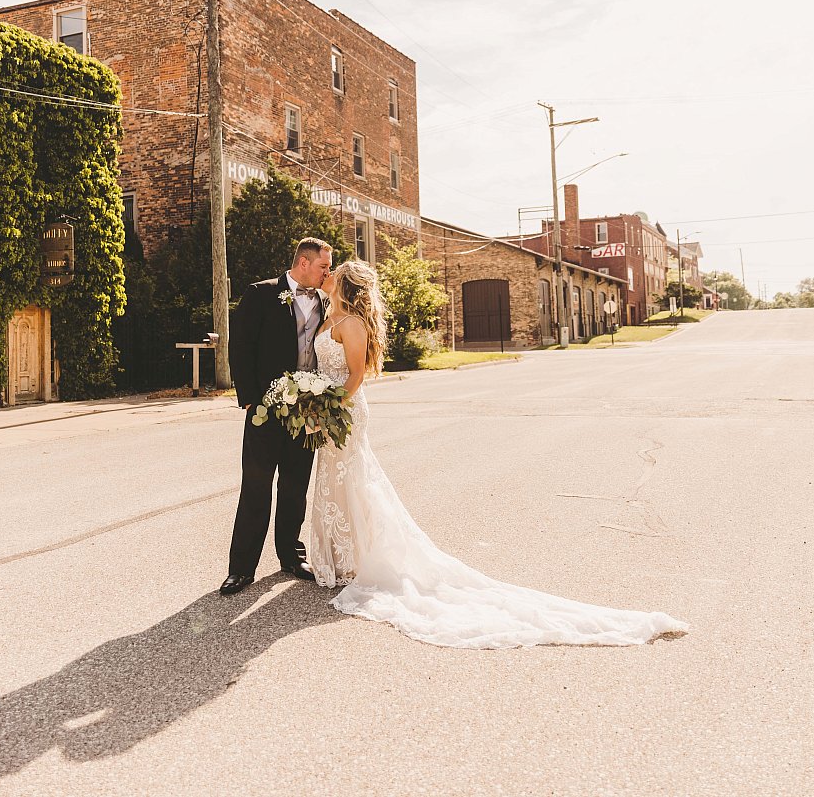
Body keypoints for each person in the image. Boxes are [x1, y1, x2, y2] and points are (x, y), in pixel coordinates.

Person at [305, 259, 690, 648]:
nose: (328, 272)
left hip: (345, 410)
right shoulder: (327, 314)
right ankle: (341, 558)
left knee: (352, 477)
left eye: (334, 270)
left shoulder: (350, 323)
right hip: (330, 410)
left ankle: (358, 558)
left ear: (346, 283)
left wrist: (329, 407)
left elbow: (355, 374)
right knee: (335, 478)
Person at [220, 237, 333, 596]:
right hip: (266, 408)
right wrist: (250, 400)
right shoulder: (261, 293)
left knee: (296, 485)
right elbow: (240, 347)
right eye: (323, 267)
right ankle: (241, 569)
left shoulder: (327, 300)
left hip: (309, 407)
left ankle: (291, 556)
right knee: (256, 486)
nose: (327, 272)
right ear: (303, 263)